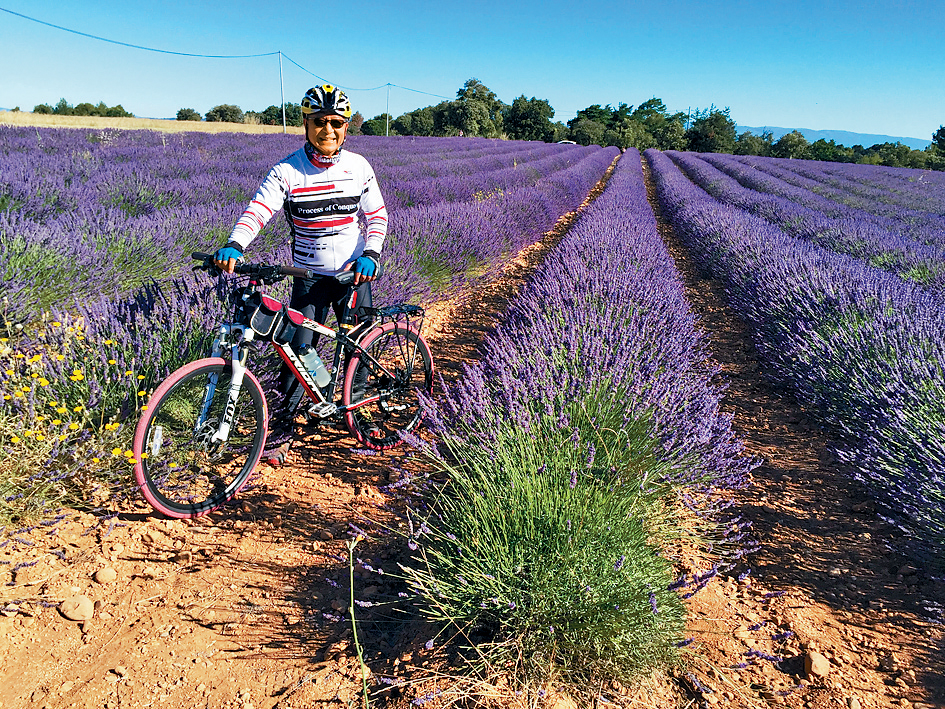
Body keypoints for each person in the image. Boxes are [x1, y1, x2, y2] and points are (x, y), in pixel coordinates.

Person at [213, 85, 388, 465]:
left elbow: (376, 217)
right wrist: (235, 244)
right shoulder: (288, 171)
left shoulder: (359, 167)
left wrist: (371, 254)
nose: (328, 130)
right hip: (307, 276)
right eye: (319, 122)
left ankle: (359, 413)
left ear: (346, 126)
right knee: (296, 349)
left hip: (354, 276)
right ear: (305, 124)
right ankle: (283, 426)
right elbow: (258, 210)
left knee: (357, 347)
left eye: (336, 123)